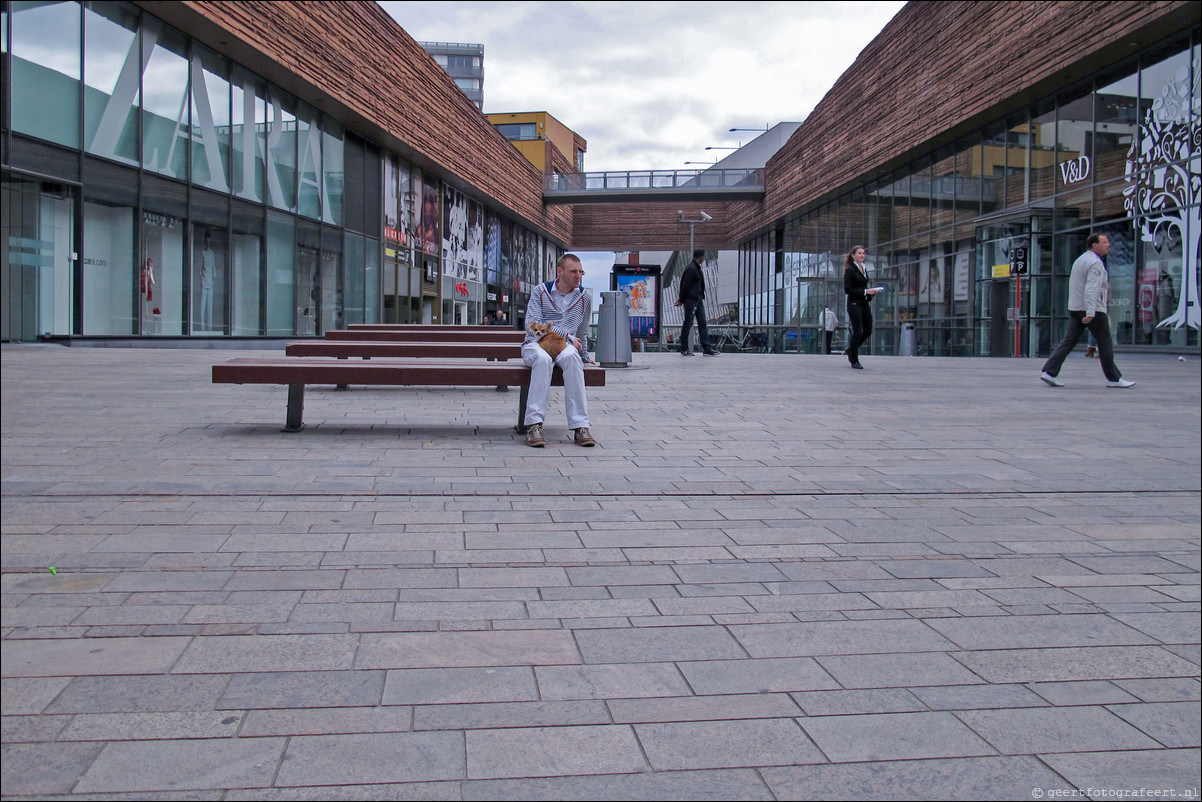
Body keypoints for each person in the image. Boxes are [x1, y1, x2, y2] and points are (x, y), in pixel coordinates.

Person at [1040, 233, 1134, 388]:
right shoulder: (1095, 263)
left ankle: (1049, 372)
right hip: (1092, 308)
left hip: (1076, 307)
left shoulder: (1080, 260)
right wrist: (1091, 312)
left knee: (1068, 341)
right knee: (1104, 342)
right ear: (1094, 245)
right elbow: (1091, 289)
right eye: (1104, 242)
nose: (1108, 244)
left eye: (1108, 242)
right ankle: (1114, 379)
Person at [521, 253, 596, 447]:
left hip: (564, 348)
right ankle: (534, 425)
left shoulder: (584, 298)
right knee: (543, 360)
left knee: (573, 358)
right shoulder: (541, 291)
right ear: (560, 271)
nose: (578, 275)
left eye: (581, 272)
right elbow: (534, 325)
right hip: (536, 344)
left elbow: (582, 330)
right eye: (573, 271)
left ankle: (581, 426)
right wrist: (569, 336)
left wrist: (585, 357)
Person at [676, 250, 719, 356]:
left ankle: (707, 348)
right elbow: (685, 285)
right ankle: (684, 348)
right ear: (700, 257)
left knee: (702, 323)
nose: (704, 259)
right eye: (703, 257)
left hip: (697, 299)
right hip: (692, 300)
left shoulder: (695, 268)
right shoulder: (692, 269)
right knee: (688, 323)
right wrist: (681, 299)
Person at [843, 245, 878, 369]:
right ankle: (854, 359)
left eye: (863, 253)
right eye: (859, 253)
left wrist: (870, 292)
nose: (862, 255)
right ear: (853, 255)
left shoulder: (864, 268)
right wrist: (865, 292)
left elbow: (863, 286)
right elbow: (848, 289)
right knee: (858, 330)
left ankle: (851, 349)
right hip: (854, 304)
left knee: (868, 330)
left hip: (864, 303)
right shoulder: (850, 270)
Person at [198, 232, 215, 332]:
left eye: (209, 242)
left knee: (210, 308)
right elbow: (200, 268)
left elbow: (214, 269)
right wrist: (201, 280)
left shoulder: (212, 253)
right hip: (204, 282)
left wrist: (213, 280)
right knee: (202, 308)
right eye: (206, 242)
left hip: (210, 282)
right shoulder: (202, 253)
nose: (207, 244)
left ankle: (210, 329)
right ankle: (202, 329)